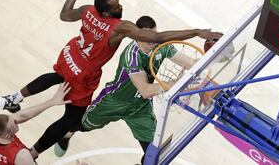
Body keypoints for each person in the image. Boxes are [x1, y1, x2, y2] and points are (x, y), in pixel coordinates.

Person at [0, 0, 222, 158]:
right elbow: (145, 87)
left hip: (82, 63)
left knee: (155, 150)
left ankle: (15, 98)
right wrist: (194, 33)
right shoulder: (126, 43)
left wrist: (215, 59)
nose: (120, 6)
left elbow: (65, 15)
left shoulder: (90, 11)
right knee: (74, 121)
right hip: (106, 93)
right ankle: (55, 139)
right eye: (116, 6)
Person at [53, 16, 201, 164]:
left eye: (154, 36)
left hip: (140, 107)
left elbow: (190, 63)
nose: (152, 41)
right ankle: (66, 134)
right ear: (138, 36)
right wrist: (177, 82)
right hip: (114, 101)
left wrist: (212, 59)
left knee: (155, 156)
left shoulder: (161, 44)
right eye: (147, 38)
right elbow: (146, 90)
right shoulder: (132, 56)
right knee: (82, 125)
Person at [0, 83, 71, 165]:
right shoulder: (21, 155)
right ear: (8, 135)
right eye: (14, 123)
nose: (15, 119)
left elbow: (21, 116)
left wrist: (52, 101)